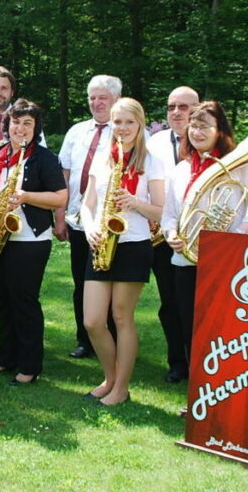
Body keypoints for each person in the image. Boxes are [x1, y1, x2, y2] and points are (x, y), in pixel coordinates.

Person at [160, 101, 248, 369]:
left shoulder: (238, 167)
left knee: (222, 328)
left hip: (226, 261)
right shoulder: (180, 170)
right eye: (194, 126)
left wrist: (235, 236)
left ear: (219, 130)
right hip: (186, 261)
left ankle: (222, 386)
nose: (197, 132)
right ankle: (197, 385)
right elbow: (169, 214)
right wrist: (171, 233)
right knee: (191, 325)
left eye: (205, 126)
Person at [80, 98, 164, 406]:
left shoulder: (152, 160)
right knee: (92, 320)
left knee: (121, 316)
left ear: (140, 124)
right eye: (117, 122)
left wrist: (134, 202)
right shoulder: (104, 158)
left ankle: (121, 387)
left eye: (129, 122)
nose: (122, 128)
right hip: (101, 244)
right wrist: (89, 228)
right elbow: (87, 204)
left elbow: (161, 211)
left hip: (134, 245)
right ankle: (110, 377)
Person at [0, 99, 67, 386]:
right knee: (4, 300)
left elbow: (60, 197)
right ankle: (7, 357)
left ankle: (30, 364)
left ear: (36, 128)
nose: (20, 128)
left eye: (27, 123)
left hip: (30, 238)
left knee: (24, 300)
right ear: (7, 125)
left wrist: (27, 197)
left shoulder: (44, 159)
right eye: (16, 122)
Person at [54, 75, 121, 359]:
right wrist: (60, 217)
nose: (96, 103)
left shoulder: (128, 130)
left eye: (102, 98)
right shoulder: (77, 131)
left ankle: (115, 339)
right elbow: (64, 175)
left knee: (113, 284)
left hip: (115, 224)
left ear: (116, 99)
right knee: (82, 283)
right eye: (92, 97)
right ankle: (86, 339)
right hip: (79, 220)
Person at [145, 86, 199, 383]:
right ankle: (178, 361)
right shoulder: (154, 142)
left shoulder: (210, 142)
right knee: (171, 302)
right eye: (171, 107)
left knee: (201, 304)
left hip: (202, 237)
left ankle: (204, 361)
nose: (177, 112)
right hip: (165, 236)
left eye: (184, 107)